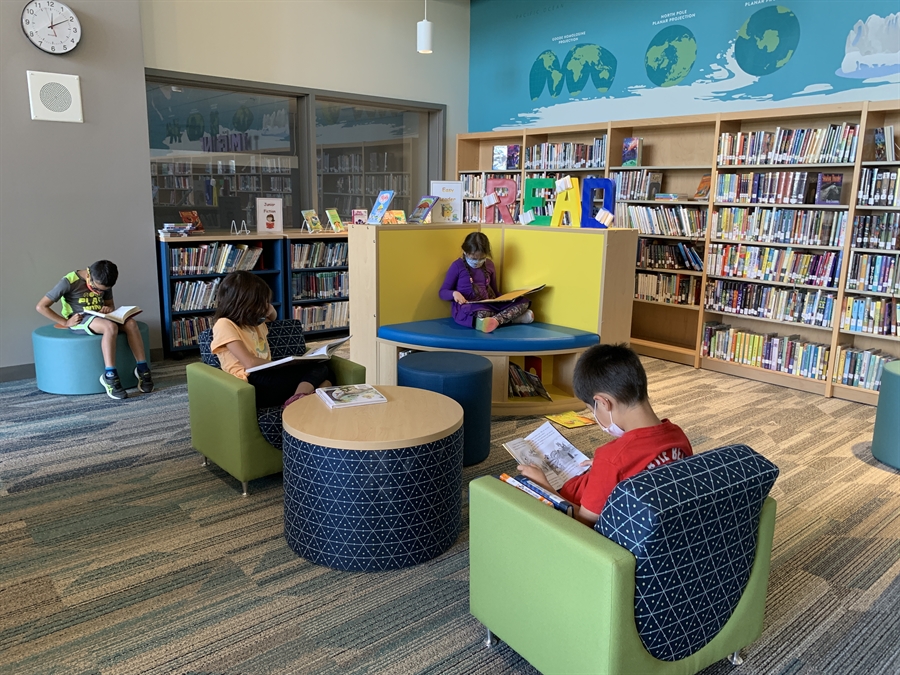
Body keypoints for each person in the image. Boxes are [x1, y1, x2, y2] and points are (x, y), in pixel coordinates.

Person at [517, 344, 692, 527]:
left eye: (592, 409)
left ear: (603, 402)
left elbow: (585, 522)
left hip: (572, 507)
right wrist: (605, 467)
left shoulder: (612, 458)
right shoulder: (677, 436)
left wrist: (543, 485)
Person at [210, 270, 333, 408]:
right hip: (250, 382)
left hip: (267, 376)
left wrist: (267, 306)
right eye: (260, 303)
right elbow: (249, 363)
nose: (264, 308)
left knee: (324, 373)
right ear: (243, 304)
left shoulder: (254, 322)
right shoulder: (224, 324)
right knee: (320, 376)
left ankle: (297, 399)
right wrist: (283, 364)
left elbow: (272, 316)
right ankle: (298, 401)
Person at [37, 260, 152, 400]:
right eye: (97, 289)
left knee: (131, 323)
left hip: (100, 316)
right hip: (80, 319)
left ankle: (142, 368)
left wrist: (108, 308)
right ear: (90, 275)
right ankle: (110, 375)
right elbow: (41, 306)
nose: (99, 292)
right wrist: (66, 322)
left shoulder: (105, 279)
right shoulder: (69, 281)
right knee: (110, 327)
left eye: (103, 290)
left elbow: (109, 304)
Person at [438, 232, 534, 333]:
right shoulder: (457, 266)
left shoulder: (489, 265)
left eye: (482, 258)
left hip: (489, 304)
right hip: (469, 307)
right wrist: (454, 294)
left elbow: (495, 292)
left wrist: (507, 300)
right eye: (474, 258)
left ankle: (494, 321)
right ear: (465, 252)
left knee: (524, 302)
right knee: (481, 313)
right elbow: (442, 292)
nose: (477, 261)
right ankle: (512, 319)